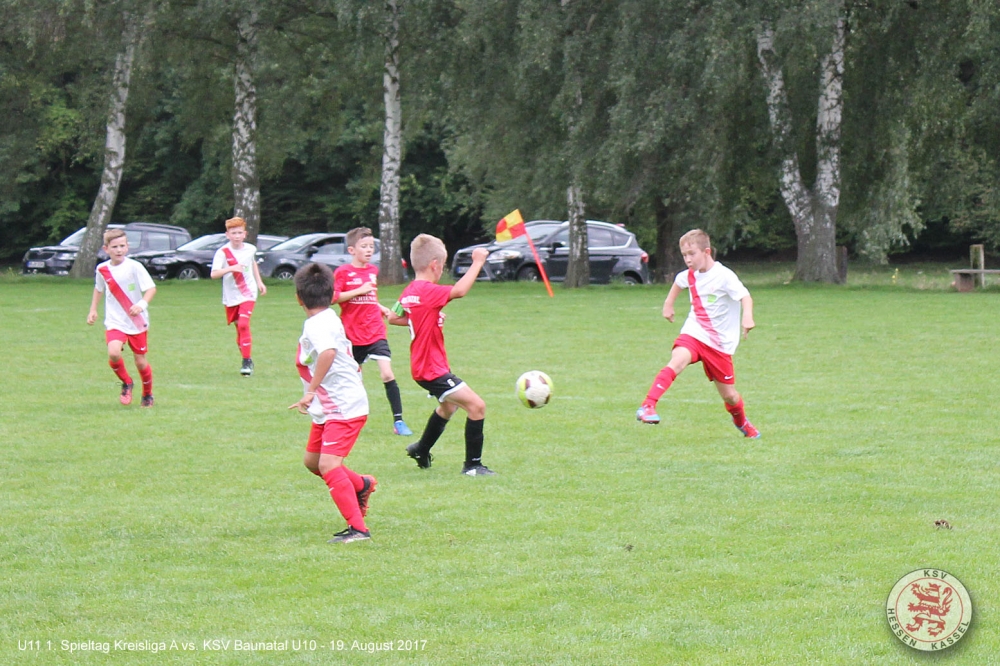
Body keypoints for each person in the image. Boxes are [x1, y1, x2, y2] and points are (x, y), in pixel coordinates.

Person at [636, 229, 760, 438]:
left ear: (706, 252)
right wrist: (668, 304)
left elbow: (745, 297)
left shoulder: (724, 276)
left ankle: (742, 422)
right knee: (677, 361)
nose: (687, 259)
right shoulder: (689, 275)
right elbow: (679, 282)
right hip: (694, 332)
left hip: (719, 345)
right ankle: (648, 406)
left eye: (692, 254)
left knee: (730, 396)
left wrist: (747, 317)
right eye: (684, 255)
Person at [391, 234, 495, 476]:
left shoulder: (410, 291)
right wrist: (478, 262)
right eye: (443, 265)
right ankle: (472, 466)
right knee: (477, 406)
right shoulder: (429, 291)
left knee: (448, 407)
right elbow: (459, 291)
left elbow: (394, 317)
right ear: (434, 265)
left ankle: (420, 449)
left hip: (424, 367)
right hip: (432, 370)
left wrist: (428, 317)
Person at [289, 262, 376, 544]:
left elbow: (328, 352)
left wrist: (311, 391)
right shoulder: (327, 317)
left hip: (342, 405)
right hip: (330, 406)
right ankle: (362, 485)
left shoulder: (317, 325)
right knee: (313, 462)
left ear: (299, 298)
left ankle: (358, 530)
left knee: (328, 464)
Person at [333, 227, 412, 437]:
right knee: (352, 379)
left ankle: (399, 421)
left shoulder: (372, 271)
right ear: (351, 250)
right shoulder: (343, 272)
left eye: (371, 247)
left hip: (375, 331)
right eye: (364, 246)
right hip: (352, 334)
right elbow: (333, 297)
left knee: (387, 373)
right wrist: (360, 290)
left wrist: (380, 307)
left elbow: (369, 299)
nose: (369, 250)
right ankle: (349, 418)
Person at [87, 228, 157, 407]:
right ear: (106, 249)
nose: (119, 250)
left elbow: (151, 288)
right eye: (114, 247)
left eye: (122, 246)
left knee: (140, 361)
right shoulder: (102, 269)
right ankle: (127, 382)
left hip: (137, 321)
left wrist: (141, 305)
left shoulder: (135, 267)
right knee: (114, 352)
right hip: (115, 321)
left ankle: (147, 394)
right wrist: (93, 309)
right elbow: (98, 288)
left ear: (127, 247)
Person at [210, 217, 267, 376]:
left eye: (239, 233)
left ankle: (246, 361)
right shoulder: (222, 252)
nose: (237, 236)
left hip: (248, 292)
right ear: (227, 235)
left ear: (245, 234)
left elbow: (252, 263)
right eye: (233, 233)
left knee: (243, 324)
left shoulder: (250, 249)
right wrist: (231, 269)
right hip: (231, 295)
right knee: (238, 328)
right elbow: (214, 274)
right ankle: (246, 357)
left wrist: (259, 282)